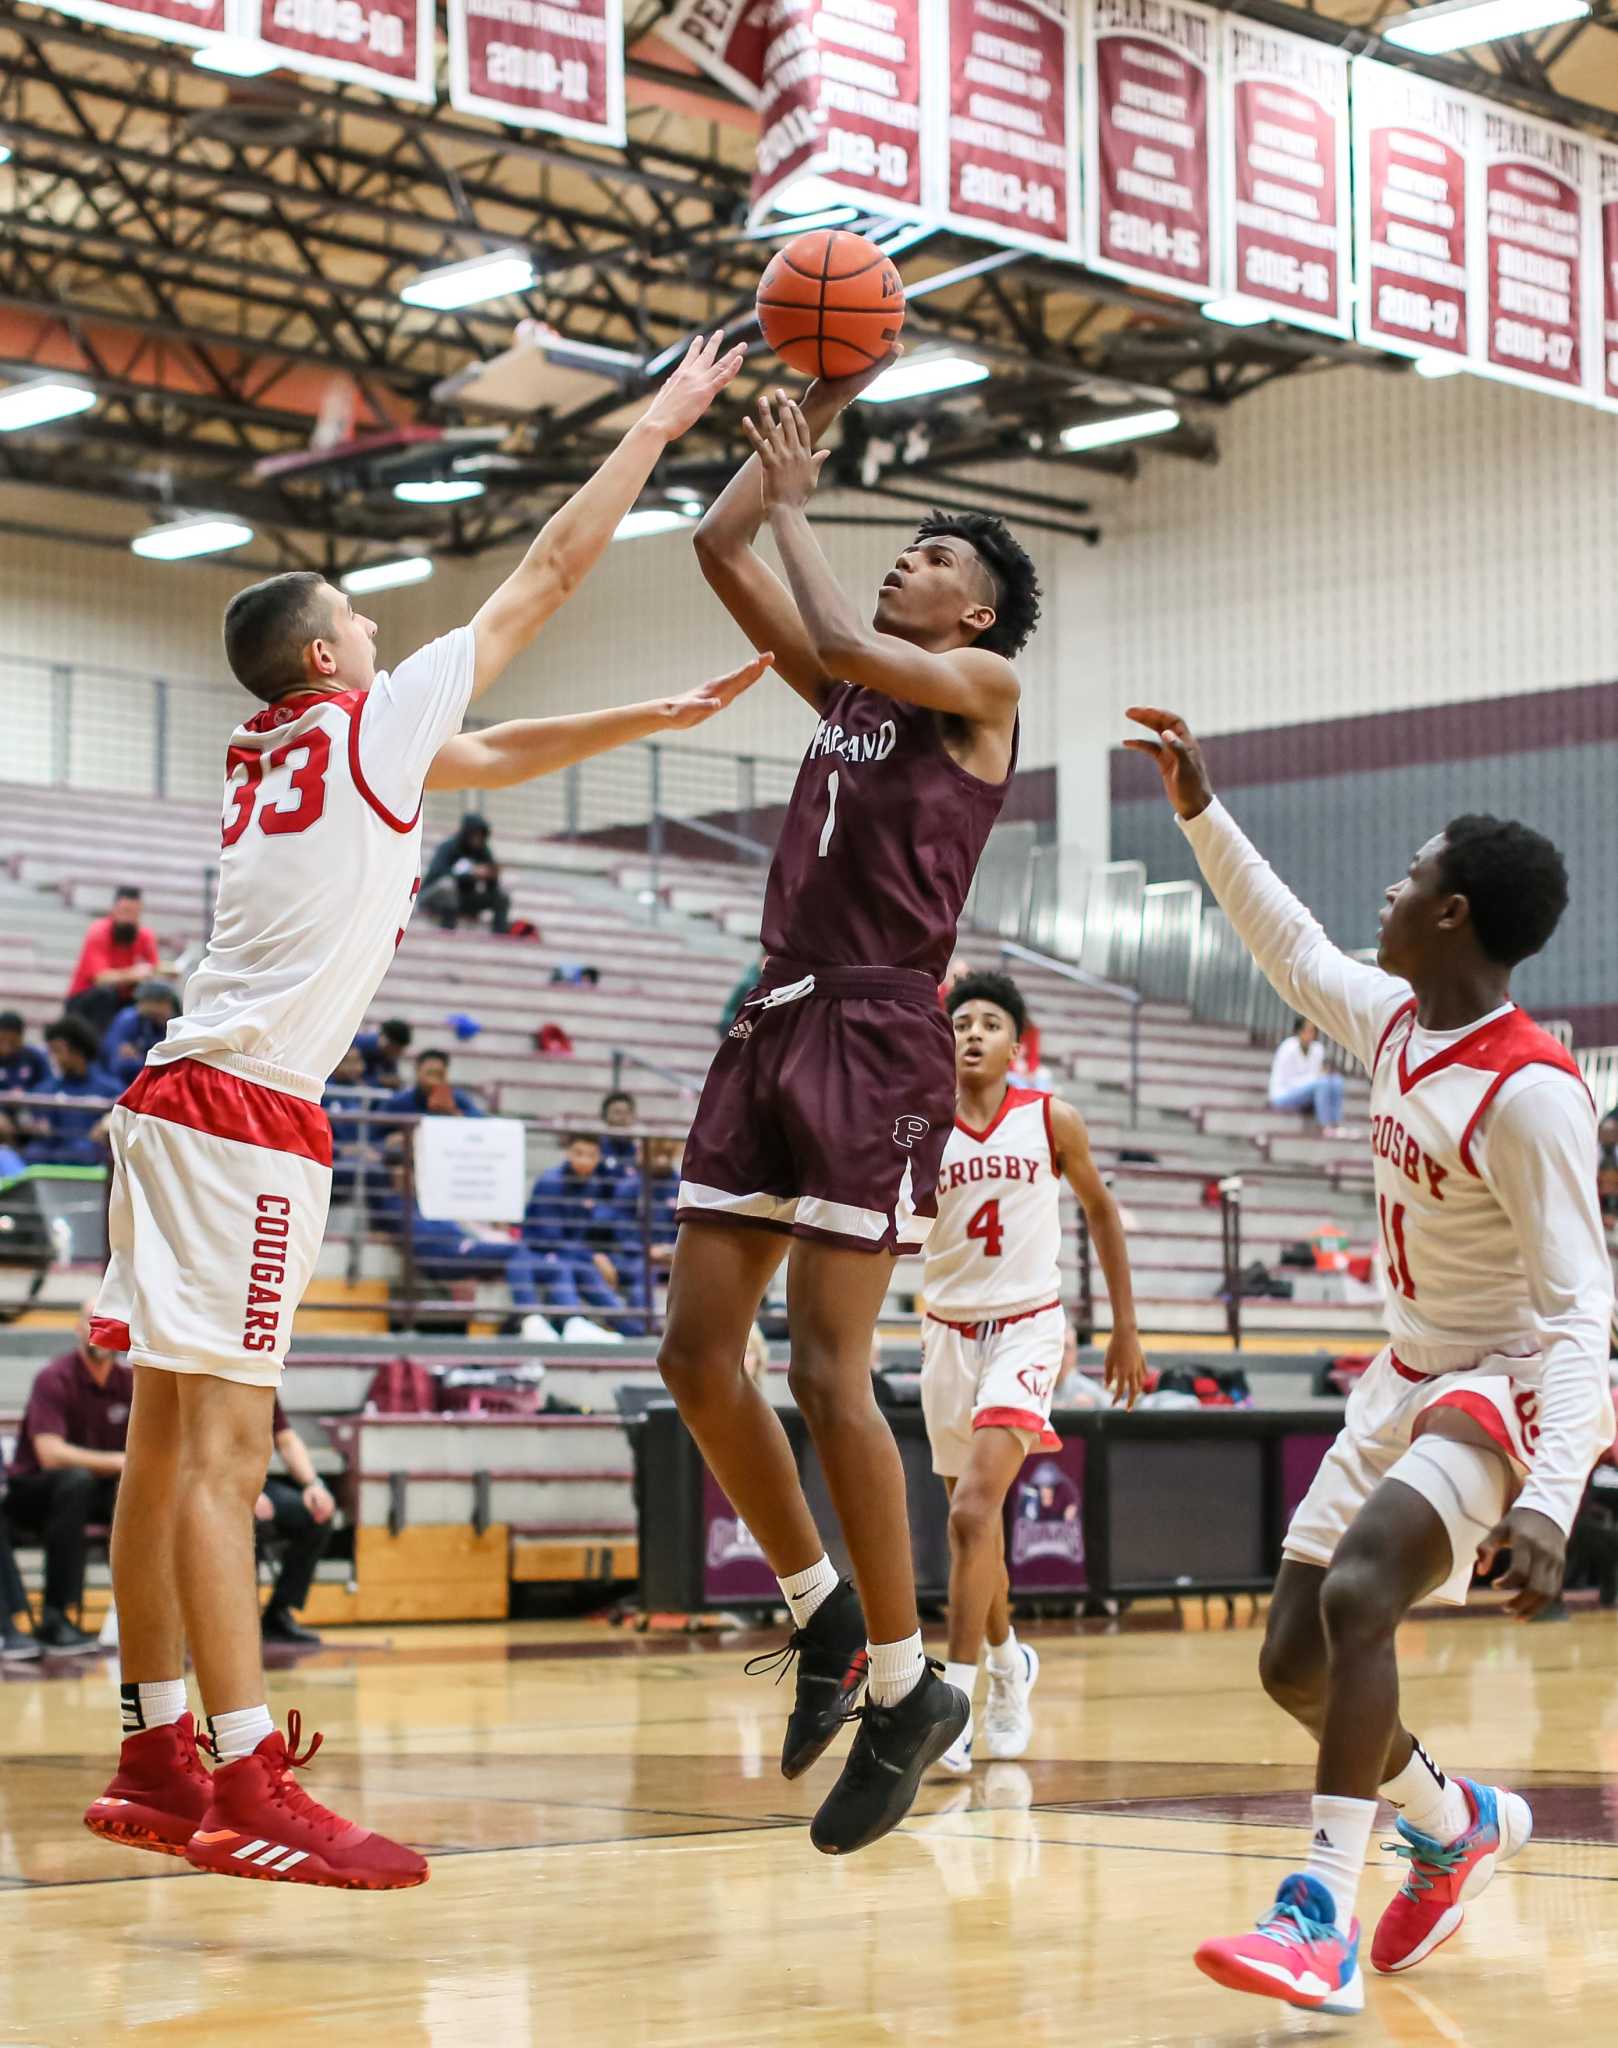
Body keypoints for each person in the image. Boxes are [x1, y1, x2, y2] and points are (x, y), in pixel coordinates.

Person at [79, 328, 761, 1890]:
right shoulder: (357, 722)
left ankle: (154, 1744)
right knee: (221, 1458)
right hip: (240, 1115)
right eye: (361, 619)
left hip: (185, 1100)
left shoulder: (296, 744)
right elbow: (542, 576)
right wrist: (654, 428)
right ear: (326, 660)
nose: (382, 626)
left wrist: (651, 721)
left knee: (171, 1441)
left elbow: (490, 750)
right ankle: (247, 1781)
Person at [1124, 706, 1615, 2017]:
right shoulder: (1397, 1020)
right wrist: (1197, 809)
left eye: (1406, 876)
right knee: (1291, 1660)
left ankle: (1316, 1920)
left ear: (1452, 913)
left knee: (1355, 1600)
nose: (1385, 892)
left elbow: (1581, 1314)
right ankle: (1451, 1825)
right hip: (1404, 1375)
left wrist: (1549, 1501)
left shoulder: (1530, 1094)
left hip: (1499, 1378)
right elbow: (1286, 947)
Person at [657, 364, 1042, 1856]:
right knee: (696, 1355)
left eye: (938, 559)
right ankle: (822, 1615)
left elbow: (824, 623)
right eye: (910, 548)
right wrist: (787, 441)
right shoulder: (857, 696)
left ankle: (909, 1684)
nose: (912, 561)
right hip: (773, 1012)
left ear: (978, 618)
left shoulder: (982, 700)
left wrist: (810, 506)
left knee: (827, 1370)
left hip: (882, 1027)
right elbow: (716, 555)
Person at [922, 972, 1146, 1775]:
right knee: (972, 1526)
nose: (973, 1034)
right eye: (960, 1024)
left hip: (1026, 1329)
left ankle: (952, 1701)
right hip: (946, 1335)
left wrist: (1124, 1327)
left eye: (990, 1024)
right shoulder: (918, 1129)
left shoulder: (1052, 1119)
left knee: (973, 1508)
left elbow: (1101, 1212)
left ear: (1018, 1044)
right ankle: (1010, 1660)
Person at [4, 1302, 130, 1653]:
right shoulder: (54, 1377)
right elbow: (50, 1454)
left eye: (111, 1324)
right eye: (94, 1323)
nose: (102, 1333)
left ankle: (147, 1615)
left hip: (93, 1492)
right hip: (34, 1492)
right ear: (78, 1328)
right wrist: (120, 1461)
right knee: (76, 1481)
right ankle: (56, 1617)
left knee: (145, 1495)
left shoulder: (130, 1383)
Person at [524, 1134, 645, 1330]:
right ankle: (574, 1330)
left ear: (598, 1158)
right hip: (542, 1253)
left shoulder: (594, 1183)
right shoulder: (550, 1183)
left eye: (591, 1155)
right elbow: (550, 1239)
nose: (584, 1160)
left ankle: (640, 1337)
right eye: (578, 1153)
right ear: (568, 1153)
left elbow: (596, 1226)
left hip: (576, 1257)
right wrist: (592, 1257)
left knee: (612, 1297)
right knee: (570, 1276)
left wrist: (594, 1256)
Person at [256, 1399, 336, 1646]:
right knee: (243, 1523)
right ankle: (237, 1620)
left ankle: (278, 1613)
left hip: (254, 1482)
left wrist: (313, 1485)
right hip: (206, 1483)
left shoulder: (259, 1375)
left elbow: (286, 1439)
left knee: (315, 1515)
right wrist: (240, 1490)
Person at [65, 887, 165, 1036]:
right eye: (125, 911)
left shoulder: (145, 936)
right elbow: (101, 978)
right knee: (106, 994)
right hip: (85, 1002)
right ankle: (101, 1051)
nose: (128, 918)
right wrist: (134, 974)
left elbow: (154, 971)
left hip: (124, 998)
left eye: (134, 913)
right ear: (114, 910)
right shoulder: (99, 931)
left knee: (162, 999)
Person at [27, 1017, 119, 1166]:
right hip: (53, 1158)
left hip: (91, 1162)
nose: (54, 1058)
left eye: (57, 1050)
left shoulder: (111, 1089)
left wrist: (106, 1124)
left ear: (78, 1050)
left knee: (83, 1150)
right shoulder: (44, 1091)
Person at [420, 812, 509, 933]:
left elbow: (492, 887)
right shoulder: (448, 847)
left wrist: (491, 875)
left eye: (480, 835)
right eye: (474, 835)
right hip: (435, 897)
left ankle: (500, 934)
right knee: (447, 886)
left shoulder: (483, 851)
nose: (477, 839)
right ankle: (447, 929)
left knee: (502, 895)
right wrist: (470, 873)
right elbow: (438, 873)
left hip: (462, 899)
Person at [1269, 1016, 1347, 1135]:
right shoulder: (1288, 1047)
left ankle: (1336, 1124)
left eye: (1312, 1031)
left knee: (1337, 1081)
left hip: (1307, 1091)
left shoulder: (1318, 1049)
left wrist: (1317, 1079)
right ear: (1298, 1031)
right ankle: (1324, 1126)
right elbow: (1288, 1081)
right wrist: (1315, 1081)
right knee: (1323, 1083)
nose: (1309, 1034)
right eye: (1306, 1030)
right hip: (1284, 1094)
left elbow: (1315, 1076)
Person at [101, 981, 181, 1089]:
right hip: (122, 1085)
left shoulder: (176, 1024)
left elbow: (176, 1068)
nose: (139, 1006)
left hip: (159, 1085)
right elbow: (119, 1064)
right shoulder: (130, 1019)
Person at [385, 1047, 484, 1122]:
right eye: (430, 1073)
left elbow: (482, 1121)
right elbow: (375, 1138)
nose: (433, 1080)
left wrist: (454, 1113)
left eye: (439, 1074)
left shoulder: (457, 1098)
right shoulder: (398, 1102)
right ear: (417, 1071)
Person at [356, 1018, 412, 1088]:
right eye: (398, 1049)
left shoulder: (389, 1053)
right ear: (388, 1042)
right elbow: (353, 1079)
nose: (399, 1053)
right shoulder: (360, 1046)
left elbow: (392, 1078)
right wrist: (380, 1081)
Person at [600, 1089, 639, 1175]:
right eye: (617, 1113)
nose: (623, 1118)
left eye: (627, 1113)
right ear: (605, 1116)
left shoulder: (639, 1152)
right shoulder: (596, 1149)